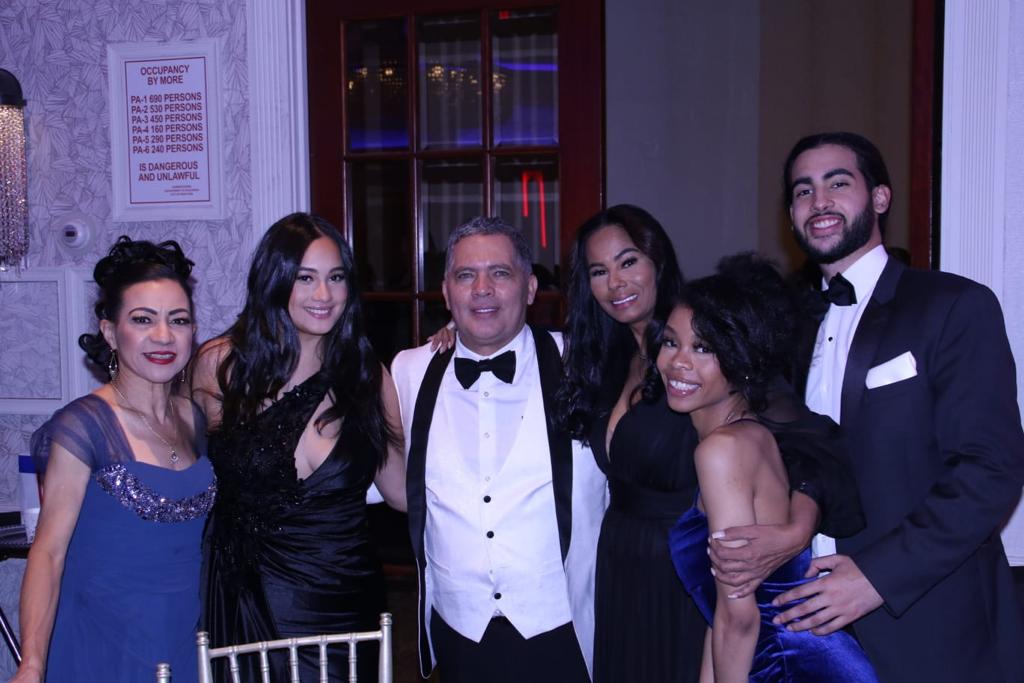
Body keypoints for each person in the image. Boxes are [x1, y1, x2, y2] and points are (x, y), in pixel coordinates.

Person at [720, 131, 1024, 682]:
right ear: (791, 216)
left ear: (880, 197)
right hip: (810, 621)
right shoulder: (790, 327)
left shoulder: (953, 305)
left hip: (929, 620)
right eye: (803, 191)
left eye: (838, 184)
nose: (819, 202)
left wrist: (875, 577)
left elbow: (990, 469)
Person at [390, 216, 607, 682]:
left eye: (500, 273)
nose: (482, 289)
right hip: (459, 631)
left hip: (563, 626)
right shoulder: (409, 370)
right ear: (446, 292)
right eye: (466, 275)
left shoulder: (583, 362)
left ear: (530, 288)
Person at [192, 212, 405, 681]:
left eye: (336, 277)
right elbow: (178, 465)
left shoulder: (368, 377)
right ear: (275, 280)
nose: (324, 294)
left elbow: (402, 492)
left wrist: (448, 369)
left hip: (346, 602)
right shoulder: (222, 366)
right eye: (305, 278)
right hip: (249, 600)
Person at [660, 254, 878, 682]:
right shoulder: (747, 435)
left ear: (740, 359)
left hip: (790, 664)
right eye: (670, 342)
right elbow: (721, 612)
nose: (678, 362)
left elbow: (739, 619)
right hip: (783, 657)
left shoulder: (722, 450)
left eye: (703, 348)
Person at [13, 237, 215, 683]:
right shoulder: (84, 425)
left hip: (182, 642)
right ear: (109, 332)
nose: (163, 336)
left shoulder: (192, 418)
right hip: (102, 647)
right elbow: (48, 553)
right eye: (143, 319)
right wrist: (32, 664)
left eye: (178, 320)